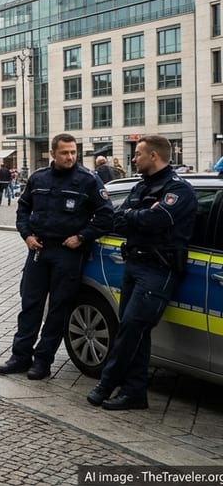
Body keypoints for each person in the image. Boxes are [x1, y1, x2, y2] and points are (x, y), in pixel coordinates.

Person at [87, 135, 196, 411]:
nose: (133, 159)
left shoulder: (178, 190)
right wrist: (141, 215)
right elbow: (118, 220)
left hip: (159, 268)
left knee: (132, 328)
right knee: (136, 331)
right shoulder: (140, 187)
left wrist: (139, 215)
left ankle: (107, 383)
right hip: (134, 265)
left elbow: (158, 219)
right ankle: (135, 393)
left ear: (154, 156)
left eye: (137, 154)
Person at [0, 134, 113, 380]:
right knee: (30, 305)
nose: (70, 157)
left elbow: (105, 216)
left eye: (73, 152)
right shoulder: (38, 178)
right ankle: (20, 356)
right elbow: (23, 208)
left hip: (67, 253)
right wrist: (27, 235)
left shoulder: (87, 180)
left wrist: (82, 237)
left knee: (58, 309)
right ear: (52, 154)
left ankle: (43, 361)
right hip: (38, 250)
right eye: (65, 153)